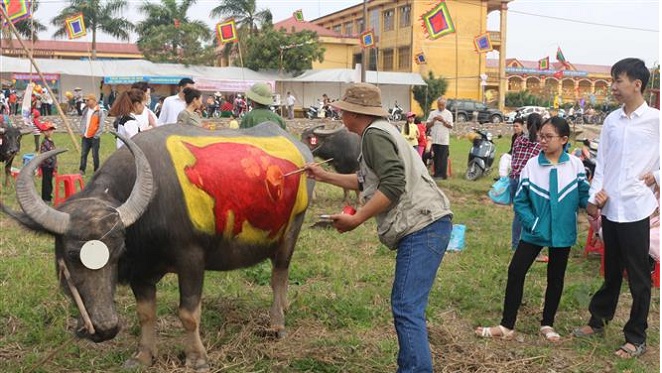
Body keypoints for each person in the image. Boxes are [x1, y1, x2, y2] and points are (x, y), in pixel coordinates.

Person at [305, 83, 453, 373]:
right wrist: (323, 176)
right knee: (406, 307)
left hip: (422, 226)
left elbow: (393, 185)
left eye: (343, 110)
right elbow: (366, 181)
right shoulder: (380, 132)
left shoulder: (374, 136)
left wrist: (357, 218)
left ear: (354, 113)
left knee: (406, 308)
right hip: (427, 224)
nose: (340, 114)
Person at [573, 58, 660, 359]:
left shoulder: (656, 121)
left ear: (637, 84)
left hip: (637, 208)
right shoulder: (611, 120)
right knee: (611, 271)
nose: (613, 87)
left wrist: (657, 176)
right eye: (612, 80)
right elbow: (603, 164)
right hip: (611, 208)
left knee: (638, 276)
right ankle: (598, 320)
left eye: (618, 81)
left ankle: (636, 337)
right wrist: (594, 197)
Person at [475, 116, 590, 342]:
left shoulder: (575, 165)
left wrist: (596, 204)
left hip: (563, 232)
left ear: (564, 139)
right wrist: (533, 224)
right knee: (516, 271)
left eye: (549, 137)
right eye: (541, 137)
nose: (543, 141)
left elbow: (584, 196)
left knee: (556, 277)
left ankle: (548, 324)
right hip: (535, 232)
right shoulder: (532, 165)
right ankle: (507, 325)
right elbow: (520, 201)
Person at [509, 113, 542, 251]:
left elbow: (513, 158)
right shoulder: (541, 144)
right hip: (529, 182)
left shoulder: (518, 140)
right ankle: (528, 244)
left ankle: (516, 244)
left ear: (526, 125)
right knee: (532, 214)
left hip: (514, 179)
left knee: (518, 214)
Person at [426, 97, 453, 179]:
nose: (440, 107)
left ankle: (442, 175)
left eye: (442, 105)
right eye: (439, 105)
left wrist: (443, 121)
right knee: (436, 157)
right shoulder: (433, 113)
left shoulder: (448, 114)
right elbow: (427, 125)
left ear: (445, 105)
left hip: (443, 139)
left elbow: (451, 126)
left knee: (443, 157)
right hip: (435, 139)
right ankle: (436, 174)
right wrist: (433, 120)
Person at [78, 94, 105, 175]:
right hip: (85, 137)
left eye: (88, 100)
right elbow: (83, 121)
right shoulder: (85, 110)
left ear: (93, 101)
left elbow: (101, 124)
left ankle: (96, 170)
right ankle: (82, 170)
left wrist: (97, 135)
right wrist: (82, 132)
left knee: (94, 155)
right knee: (83, 154)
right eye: (85, 100)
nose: (86, 102)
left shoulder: (99, 111)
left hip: (94, 137)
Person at [39, 123, 57, 203]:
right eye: (48, 130)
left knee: (49, 182)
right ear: (44, 132)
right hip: (46, 166)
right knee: (46, 182)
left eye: (51, 130)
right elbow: (44, 155)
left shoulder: (51, 141)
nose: (50, 132)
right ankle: (46, 198)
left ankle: (48, 196)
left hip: (51, 166)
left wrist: (54, 164)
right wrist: (50, 163)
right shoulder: (44, 142)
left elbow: (53, 154)